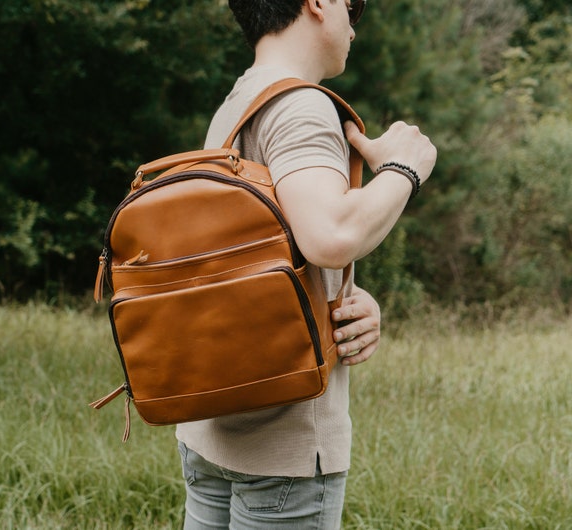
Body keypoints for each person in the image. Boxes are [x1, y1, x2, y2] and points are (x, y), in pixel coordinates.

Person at [175, 0, 437, 527]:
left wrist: (342, 297)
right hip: (284, 449)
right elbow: (329, 235)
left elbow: (250, 260)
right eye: (352, 5)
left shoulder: (240, 99)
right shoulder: (301, 107)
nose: (355, 24)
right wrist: (405, 168)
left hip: (211, 433)